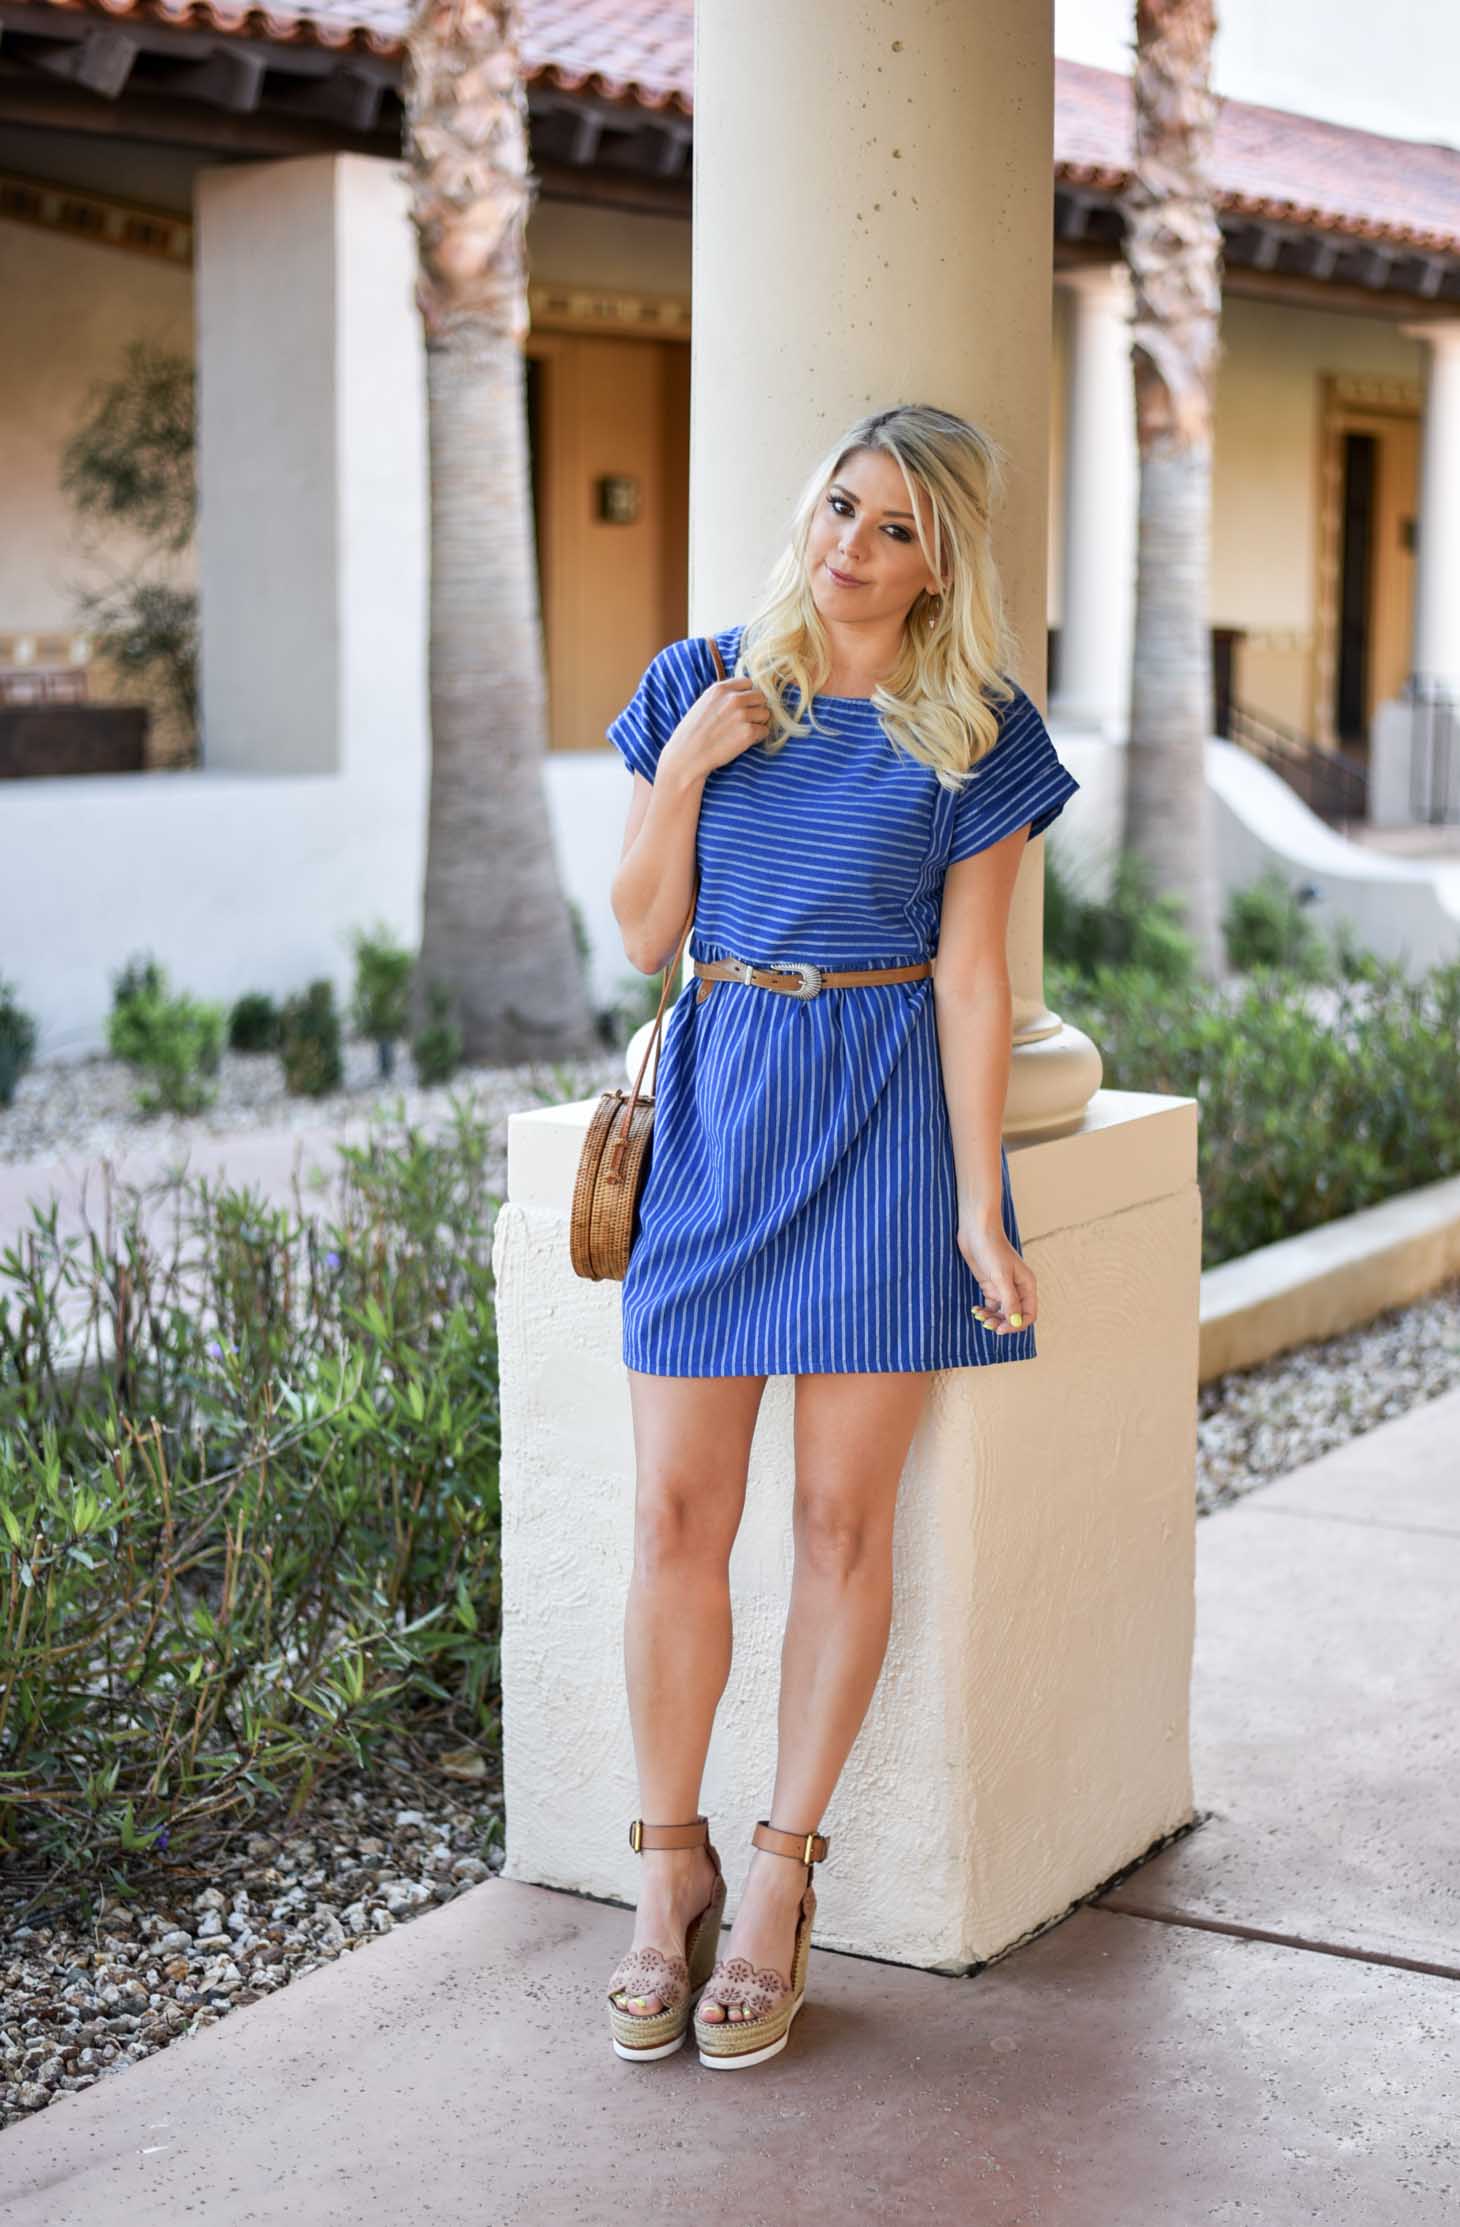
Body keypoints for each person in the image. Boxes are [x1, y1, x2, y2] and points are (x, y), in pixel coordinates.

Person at [602, 403, 1082, 2070]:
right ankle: (668, 1877)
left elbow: (973, 981)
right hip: (726, 1101)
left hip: (882, 1122)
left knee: (834, 1523)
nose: (850, 548)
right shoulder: (706, 681)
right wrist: (683, 774)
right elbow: (647, 930)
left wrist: (971, 1202)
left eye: (891, 528)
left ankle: (783, 1881)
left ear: (940, 558)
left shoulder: (980, 732)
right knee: (675, 1512)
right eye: (837, 509)